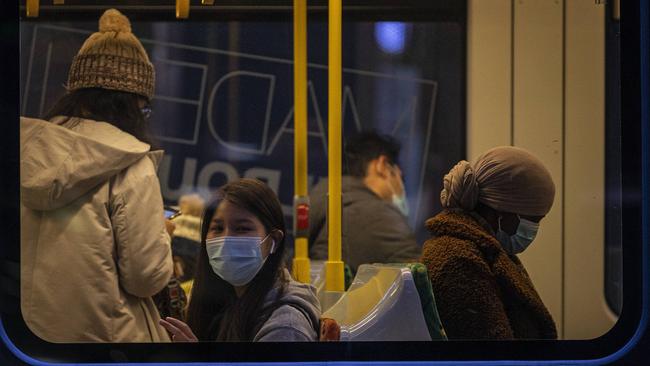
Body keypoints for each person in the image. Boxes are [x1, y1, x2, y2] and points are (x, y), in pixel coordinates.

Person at [20, 9, 173, 342]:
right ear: (133, 103)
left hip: (27, 343)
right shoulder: (131, 163)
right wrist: (162, 236)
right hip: (106, 346)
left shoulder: (21, 154)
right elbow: (146, 276)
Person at [420, 146, 558, 340]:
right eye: (533, 220)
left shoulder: (484, 250)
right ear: (501, 212)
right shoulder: (458, 262)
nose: (534, 229)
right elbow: (489, 352)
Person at [159, 178, 321, 342]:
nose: (226, 239)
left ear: (274, 240)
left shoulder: (286, 327)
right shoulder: (225, 304)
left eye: (242, 228)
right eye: (217, 228)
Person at [309, 131, 420, 273]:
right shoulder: (381, 218)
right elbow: (419, 282)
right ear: (383, 165)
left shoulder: (316, 202)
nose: (402, 189)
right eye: (400, 178)